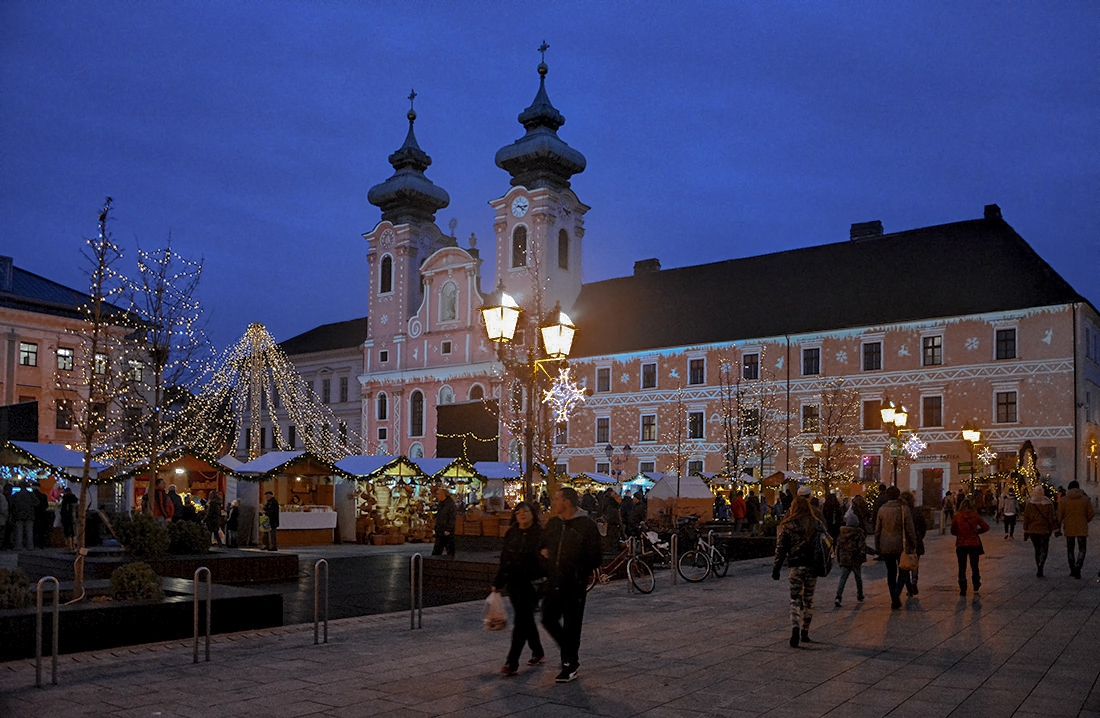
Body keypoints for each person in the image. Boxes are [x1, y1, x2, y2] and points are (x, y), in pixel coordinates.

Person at [540, 487, 602, 683]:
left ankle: (569, 664)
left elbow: (595, 556)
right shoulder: (553, 523)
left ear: (567, 502)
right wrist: (544, 552)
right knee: (547, 617)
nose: (553, 503)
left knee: (571, 624)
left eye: (557, 499)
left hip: (574, 581)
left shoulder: (586, 525)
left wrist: (578, 566)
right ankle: (569, 652)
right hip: (554, 579)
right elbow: (543, 543)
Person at [493, 501, 546, 676]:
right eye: (519, 512)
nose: (522, 514)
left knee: (521, 621)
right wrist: (498, 582)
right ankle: (538, 652)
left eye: (526, 511)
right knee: (526, 619)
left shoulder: (540, 534)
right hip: (514, 582)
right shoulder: (512, 533)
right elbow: (504, 559)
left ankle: (512, 661)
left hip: (533, 583)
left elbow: (547, 559)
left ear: (532, 514)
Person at [773, 494, 827, 647]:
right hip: (812, 566)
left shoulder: (788, 525)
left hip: (795, 566)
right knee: (809, 599)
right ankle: (805, 631)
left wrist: (776, 568)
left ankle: (795, 627)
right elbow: (826, 541)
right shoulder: (816, 524)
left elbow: (781, 549)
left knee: (795, 599)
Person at [874, 486, 917, 610]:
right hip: (901, 545)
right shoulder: (903, 509)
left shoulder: (882, 509)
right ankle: (897, 593)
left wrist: (878, 546)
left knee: (891, 572)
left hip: (886, 545)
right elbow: (910, 529)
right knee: (903, 571)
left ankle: (894, 597)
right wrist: (913, 544)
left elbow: (877, 530)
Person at [834, 510, 876, 607]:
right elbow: (862, 547)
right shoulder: (858, 533)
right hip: (855, 559)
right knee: (858, 578)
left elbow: (839, 548)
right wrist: (873, 552)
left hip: (845, 559)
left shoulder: (842, 533)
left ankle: (838, 596)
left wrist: (839, 559)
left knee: (843, 579)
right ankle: (860, 595)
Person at [951, 497, 990, 595]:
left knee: (962, 566)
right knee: (974, 565)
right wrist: (977, 532)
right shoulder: (975, 516)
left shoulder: (957, 516)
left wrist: (960, 534)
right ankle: (976, 582)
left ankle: (963, 587)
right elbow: (986, 527)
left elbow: (953, 530)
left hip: (961, 544)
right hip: (973, 544)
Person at [1057, 480, 1094, 578]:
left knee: (1070, 549)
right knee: (1082, 549)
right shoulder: (1085, 499)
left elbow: (1059, 515)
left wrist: (1058, 527)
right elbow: (1091, 513)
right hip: (1082, 526)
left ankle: (1072, 569)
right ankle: (1078, 565)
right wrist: (1086, 520)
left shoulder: (1064, 500)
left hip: (1069, 527)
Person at [1021, 486, 1057, 577]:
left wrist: (1025, 531)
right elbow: (1051, 518)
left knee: (1037, 549)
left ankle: (1038, 566)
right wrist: (1055, 529)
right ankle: (1042, 564)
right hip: (1044, 530)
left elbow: (1026, 518)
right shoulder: (1048, 504)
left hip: (1033, 530)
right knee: (1044, 549)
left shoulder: (1030, 503)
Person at [899, 492, 926, 597]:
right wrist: (919, 537)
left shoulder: (901, 512)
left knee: (904, 564)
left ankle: (909, 585)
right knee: (914, 563)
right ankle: (914, 582)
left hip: (904, 542)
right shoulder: (917, 512)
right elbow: (923, 526)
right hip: (916, 541)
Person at [10, 482, 38, 551]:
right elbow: (37, 502)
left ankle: (19, 546)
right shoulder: (31, 494)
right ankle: (30, 546)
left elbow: (12, 503)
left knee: (19, 531)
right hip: (29, 515)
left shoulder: (16, 495)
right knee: (29, 531)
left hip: (18, 515)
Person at [432, 486, 457, 558]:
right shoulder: (441, 504)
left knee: (449, 548)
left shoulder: (450, 505)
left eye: (438, 494)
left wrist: (449, 529)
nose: (436, 496)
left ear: (443, 495)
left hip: (446, 531)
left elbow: (452, 517)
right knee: (437, 548)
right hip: (440, 529)